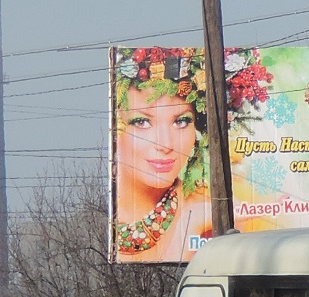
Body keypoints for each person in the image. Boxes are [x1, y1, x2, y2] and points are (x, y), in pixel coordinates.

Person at [113, 47, 272, 263]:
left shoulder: (218, 215)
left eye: (181, 121)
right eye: (142, 122)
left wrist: (194, 224)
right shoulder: (95, 222)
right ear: (116, 129)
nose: (165, 144)